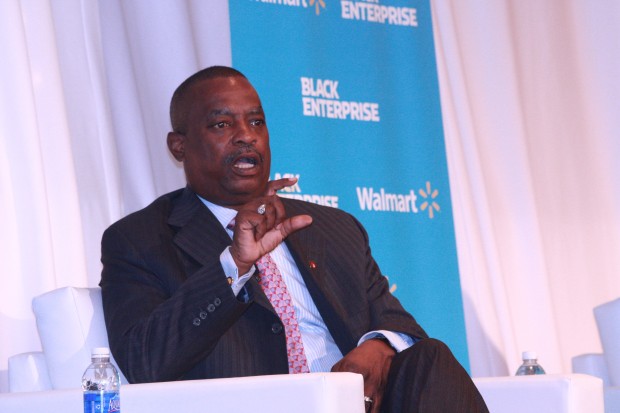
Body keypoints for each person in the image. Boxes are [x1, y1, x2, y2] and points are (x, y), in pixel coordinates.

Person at [100, 66, 488, 412]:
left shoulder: (331, 226)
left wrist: (377, 347)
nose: (246, 136)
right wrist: (234, 265)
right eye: (222, 125)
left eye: (256, 122)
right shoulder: (139, 241)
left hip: (357, 404)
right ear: (179, 146)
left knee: (429, 357)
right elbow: (143, 361)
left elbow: (397, 322)